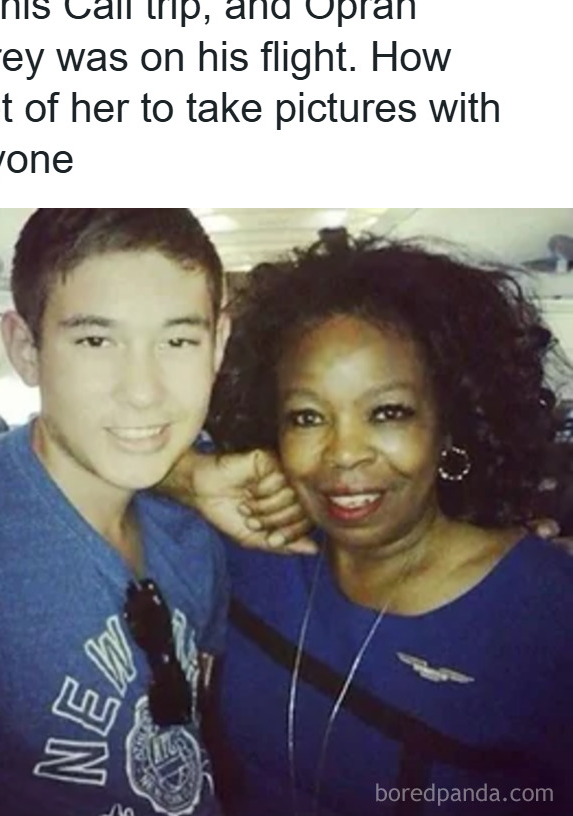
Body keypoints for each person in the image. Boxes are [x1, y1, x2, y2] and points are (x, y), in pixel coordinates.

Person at [0, 209, 232, 816]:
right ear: (25, 349)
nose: (143, 390)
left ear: (219, 343)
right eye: (95, 341)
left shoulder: (197, 522)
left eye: (178, 340)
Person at [204, 229, 573, 816]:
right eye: (307, 416)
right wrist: (188, 478)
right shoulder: (250, 557)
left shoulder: (548, 615)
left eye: (388, 413)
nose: (344, 453)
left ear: (450, 422)